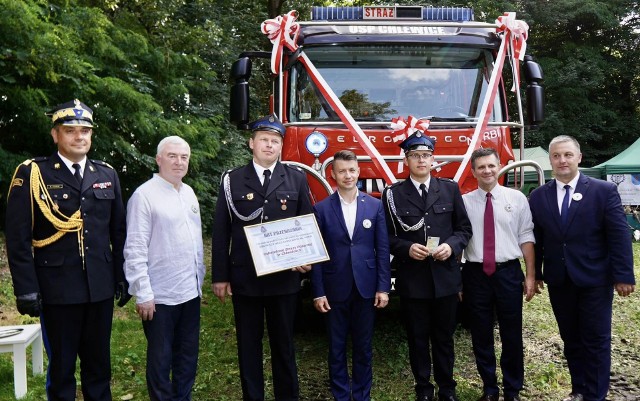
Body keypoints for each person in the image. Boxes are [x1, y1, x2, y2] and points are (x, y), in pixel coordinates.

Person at [5, 99, 129, 401]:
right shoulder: (33, 174)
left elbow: (119, 232)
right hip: (57, 289)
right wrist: (26, 289)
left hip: (98, 288)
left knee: (99, 366)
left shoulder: (105, 174)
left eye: (85, 130)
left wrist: (122, 276)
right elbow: (18, 238)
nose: (79, 136)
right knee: (61, 370)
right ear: (55, 135)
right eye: (70, 130)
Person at [212, 115, 313, 401]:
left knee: (284, 345)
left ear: (281, 146)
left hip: (284, 278)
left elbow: (307, 223)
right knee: (248, 345)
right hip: (246, 277)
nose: (269, 145)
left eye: (275, 141)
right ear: (251, 143)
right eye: (264, 140)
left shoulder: (295, 177)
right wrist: (220, 276)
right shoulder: (232, 180)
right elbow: (221, 231)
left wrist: (307, 259)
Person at [528, 135, 636, 401]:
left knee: (595, 341)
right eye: (556, 156)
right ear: (550, 160)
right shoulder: (538, 196)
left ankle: (595, 396)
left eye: (567, 155)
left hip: (595, 280)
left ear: (579, 157)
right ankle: (579, 390)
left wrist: (623, 275)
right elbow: (538, 238)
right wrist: (538, 273)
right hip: (559, 280)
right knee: (571, 339)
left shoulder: (602, 191)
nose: (562, 160)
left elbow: (619, 235)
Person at [381, 130, 472, 401]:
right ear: (406, 159)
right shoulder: (393, 194)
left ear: (433, 159)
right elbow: (385, 236)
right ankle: (423, 388)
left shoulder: (449, 189)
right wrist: (406, 248)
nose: (421, 160)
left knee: (444, 338)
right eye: (415, 156)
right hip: (413, 278)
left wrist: (452, 246)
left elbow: (464, 229)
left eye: (426, 155)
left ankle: (447, 389)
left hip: (445, 277)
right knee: (417, 338)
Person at [123, 136, 205, 401]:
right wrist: (143, 292)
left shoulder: (189, 192)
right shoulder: (144, 196)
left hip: (189, 293)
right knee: (160, 361)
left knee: (187, 356)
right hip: (160, 296)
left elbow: (195, 243)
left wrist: (199, 281)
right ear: (159, 159)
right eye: (172, 156)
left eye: (184, 157)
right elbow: (134, 247)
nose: (179, 162)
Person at [311, 150, 391, 401]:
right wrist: (318, 291)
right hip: (335, 288)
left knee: (363, 347)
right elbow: (317, 254)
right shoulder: (321, 209)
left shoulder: (375, 206)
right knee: (336, 347)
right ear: (333, 174)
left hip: (366, 287)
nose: (348, 175)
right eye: (342, 171)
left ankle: (361, 394)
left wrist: (383, 287)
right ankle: (341, 395)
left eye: (352, 170)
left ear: (358, 172)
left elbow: (383, 249)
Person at [461, 148, 538, 401]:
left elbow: (526, 237)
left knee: (511, 333)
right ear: (473, 171)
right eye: (481, 167)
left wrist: (530, 275)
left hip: (507, 273)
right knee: (481, 334)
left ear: (499, 167)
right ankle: (489, 388)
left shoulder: (516, 199)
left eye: (491, 166)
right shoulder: (464, 202)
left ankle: (512, 389)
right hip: (475, 274)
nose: (487, 171)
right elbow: (459, 241)